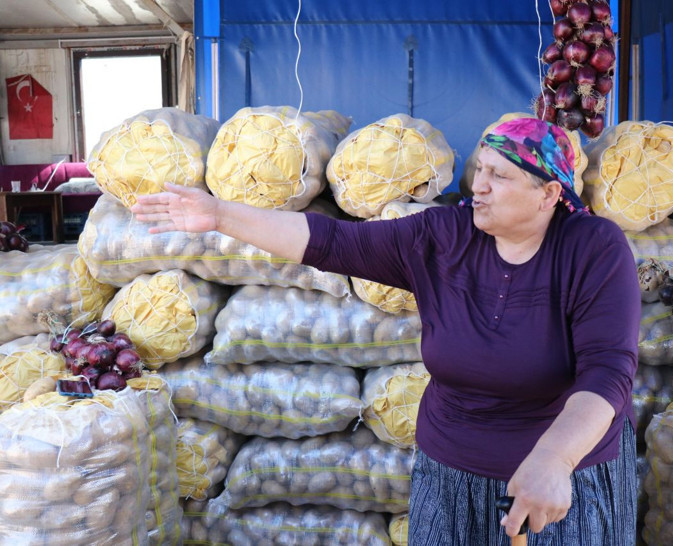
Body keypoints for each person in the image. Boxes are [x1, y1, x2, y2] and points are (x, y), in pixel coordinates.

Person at [132, 118, 640, 545]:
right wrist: (220, 214)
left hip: (559, 482)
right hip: (452, 476)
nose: (479, 186)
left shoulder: (593, 248)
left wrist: (554, 458)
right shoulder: (445, 235)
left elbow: (609, 371)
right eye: (480, 169)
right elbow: (334, 242)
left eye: (500, 176)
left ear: (549, 193)